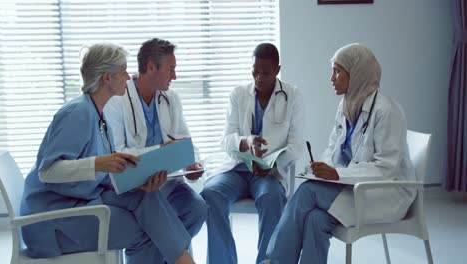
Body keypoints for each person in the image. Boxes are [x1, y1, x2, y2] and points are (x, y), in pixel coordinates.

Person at [20, 43, 196, 264]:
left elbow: (103, 173)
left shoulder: (99, 114)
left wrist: (138, 182)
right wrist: (98, 163)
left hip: (83, 199)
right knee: (146, 230)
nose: (128, 77)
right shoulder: (77, 113)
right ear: (106, 78)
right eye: (123, 72)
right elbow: (48, 171)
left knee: (146, 196)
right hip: (54, 219)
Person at [264, 43, 417, 264]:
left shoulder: (387, 110)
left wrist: (336, 174)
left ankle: (275, 261)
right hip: (354, 189)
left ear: (356, 73)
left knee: (307, 192)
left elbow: (386, 169)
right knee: (316, 219)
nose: (331, 78)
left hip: (385, 194)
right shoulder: (346, 105)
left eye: (337, 71)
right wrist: (320, 168)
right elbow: (333, 149)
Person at [201, 43, 304, 264]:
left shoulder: (292, 96)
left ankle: (266, 261)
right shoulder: (238, 94)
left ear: (277, 69)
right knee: (211, 193)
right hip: (237, 170)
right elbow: (226, 140)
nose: (259, 77)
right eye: (255, 71)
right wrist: (245, 142)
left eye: (266, 72)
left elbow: (296, 145)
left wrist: (273, 165)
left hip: (269, 173)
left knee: (272, 197)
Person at [104, 38, 208, 253]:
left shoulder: (171, 99)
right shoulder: (117, 101)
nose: (175, 76)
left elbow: (185, 141)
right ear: (151, 67)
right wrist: (159, 152)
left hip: (167, 182)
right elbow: (117, 152)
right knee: (152, 230)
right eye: (171, 69)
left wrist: (192, 163)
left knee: (197, 209)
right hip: (135, 187)